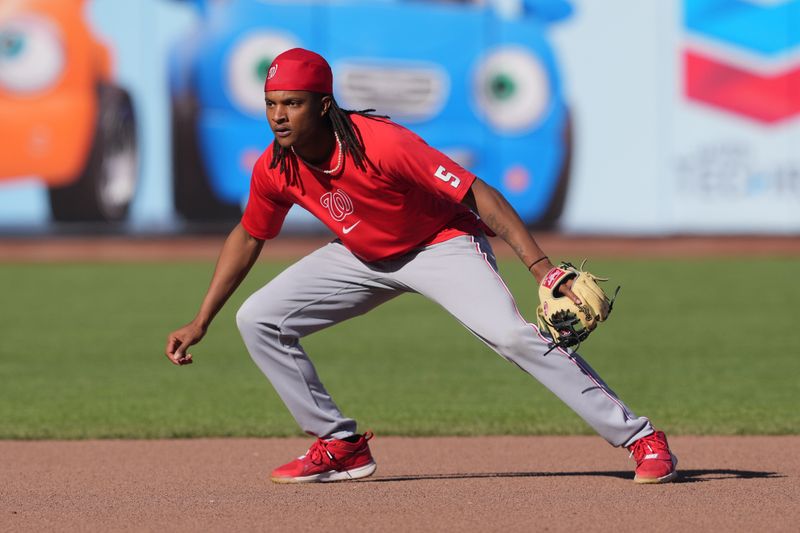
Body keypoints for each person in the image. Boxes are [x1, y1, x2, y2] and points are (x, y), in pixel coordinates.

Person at [165, 48, 677, 484]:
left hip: (440, 245)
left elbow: (479, 193)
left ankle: (640, 436)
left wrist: (540, 267)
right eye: (272, 104)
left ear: (323, 105)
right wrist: (201, 319)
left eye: (293, 104)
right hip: (362, 256)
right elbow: (250, 234)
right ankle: (340, 445)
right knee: (259, 319)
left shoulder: (382, 144)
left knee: (514, 336)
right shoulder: (276, 165)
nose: (279, 116)